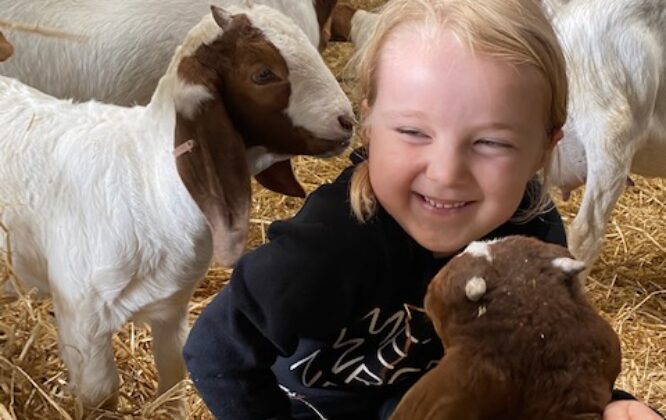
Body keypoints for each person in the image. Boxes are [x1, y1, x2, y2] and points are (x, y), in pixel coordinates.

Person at [183, 0, 663, 418]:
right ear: (368, 124)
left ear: (545, 148)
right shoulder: (326, 250)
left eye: (491, 141)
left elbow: (542, 352)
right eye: (413, 132)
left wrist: (608, 404)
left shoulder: (531, 238)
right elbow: (214, 351)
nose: (446, 171)